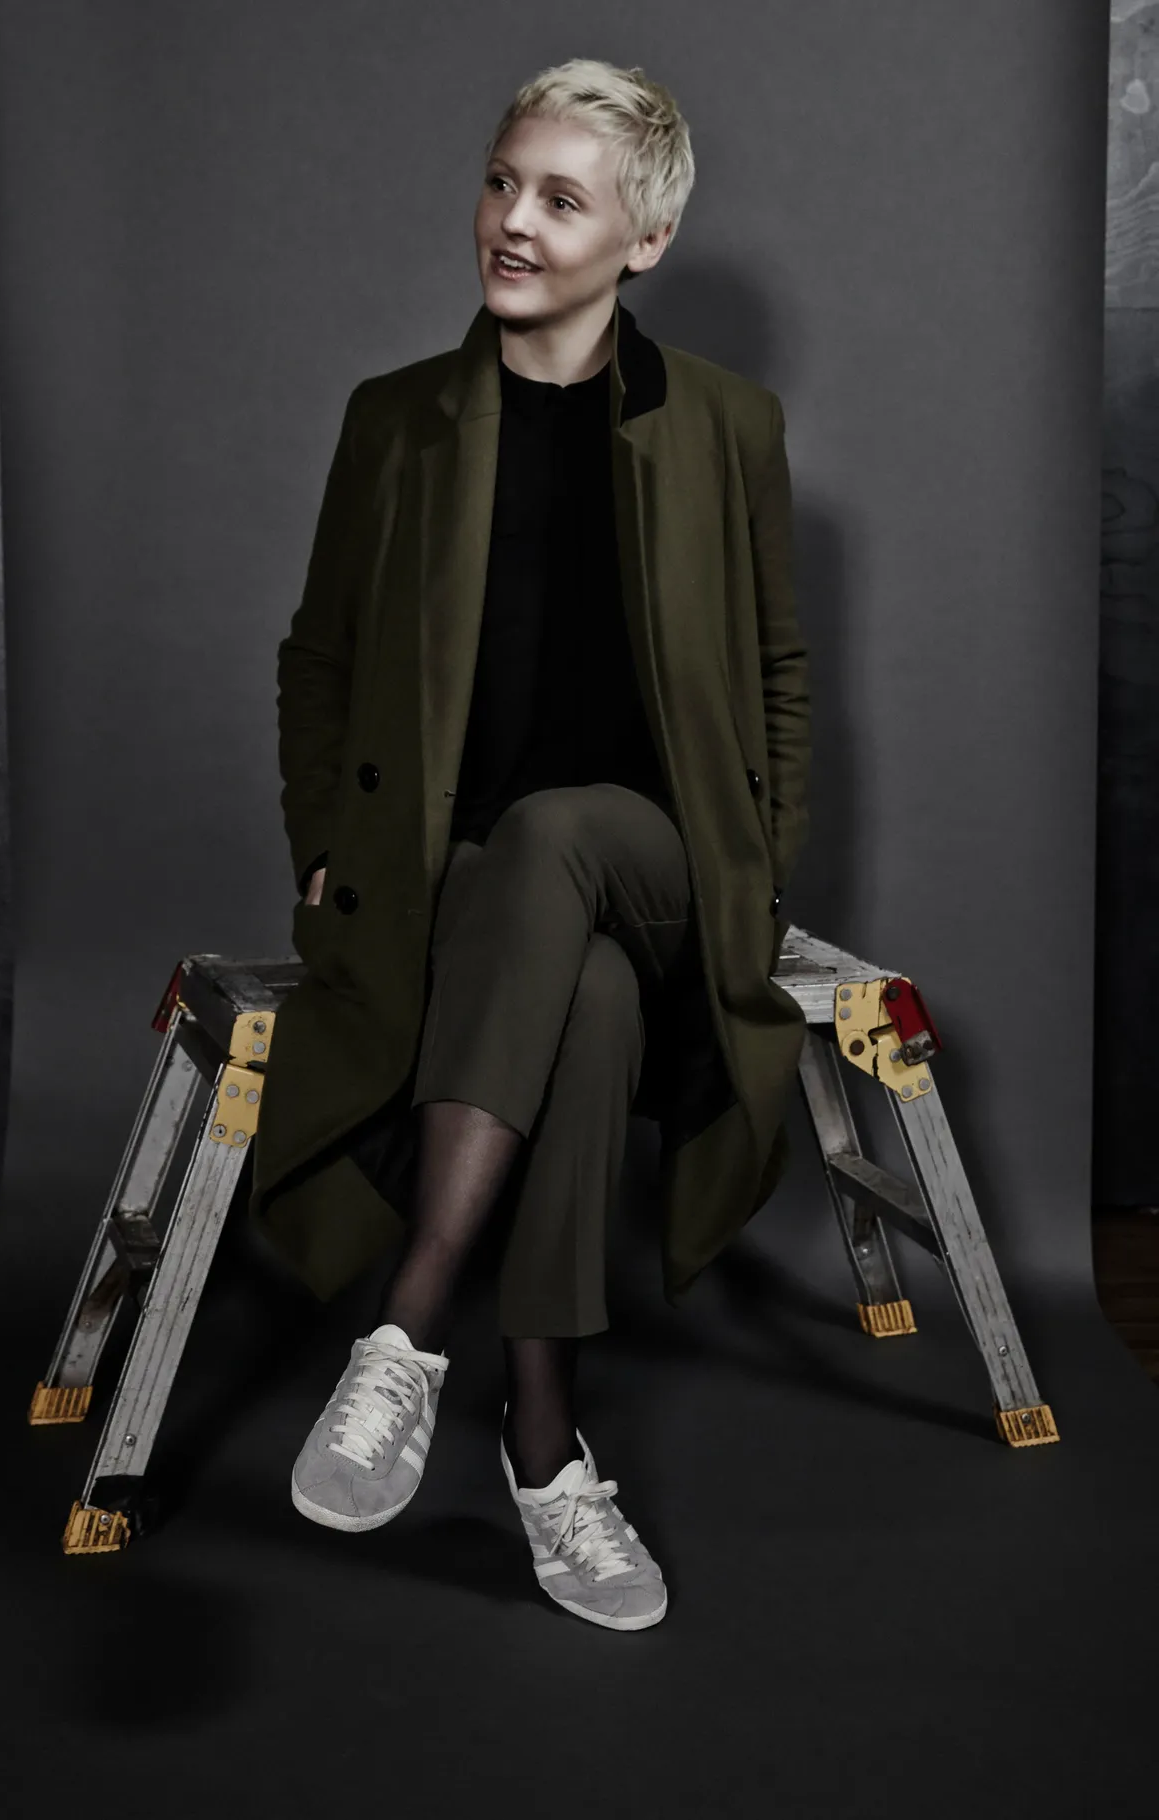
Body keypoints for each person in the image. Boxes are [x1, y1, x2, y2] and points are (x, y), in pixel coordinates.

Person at [274, 57, 810, 1633]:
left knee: (567, 832)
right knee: (583, 996)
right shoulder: (397, 424)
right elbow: (318, 657)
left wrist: (765, 865)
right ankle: (548, 1457)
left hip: (657, 864)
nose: (511, 221)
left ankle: (407, 1324)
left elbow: (780, 672)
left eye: (561, 199)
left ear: (643, 241)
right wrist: (323, 840)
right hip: (474, 892)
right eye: (503, 182)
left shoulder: (728, 425)